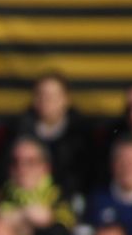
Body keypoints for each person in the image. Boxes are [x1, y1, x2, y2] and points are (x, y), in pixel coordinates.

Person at [0, 136, 76, 235]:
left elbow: (62, 233)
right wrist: (27, 215)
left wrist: (16, 223)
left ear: (45, 167)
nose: (21, 168)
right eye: (15, 162)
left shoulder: (58, 197)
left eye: (30, 162)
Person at [7, 72, 93, 204]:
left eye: (53, 96)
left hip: (68, 200)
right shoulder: (18, 130)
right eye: (41, 95)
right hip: (24, 201)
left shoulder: (81, 134)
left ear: (67, 99)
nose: (46, 100)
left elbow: (84, 177)